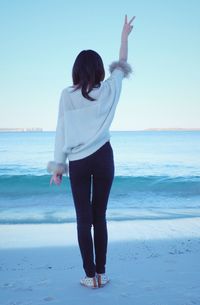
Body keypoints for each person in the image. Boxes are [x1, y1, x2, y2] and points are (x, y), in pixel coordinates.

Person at [47, 15, 135, 288]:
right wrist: (124, 36)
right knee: (100, 216)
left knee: (83, 219)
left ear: (76, 70)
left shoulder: (67, 95)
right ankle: (102, 272)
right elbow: (121, 65)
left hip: (80, 162)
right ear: (99, 70)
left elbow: (61, 131)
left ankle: (89, 276)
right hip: (104, 157)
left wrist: (59, 166)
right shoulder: (109, 89)